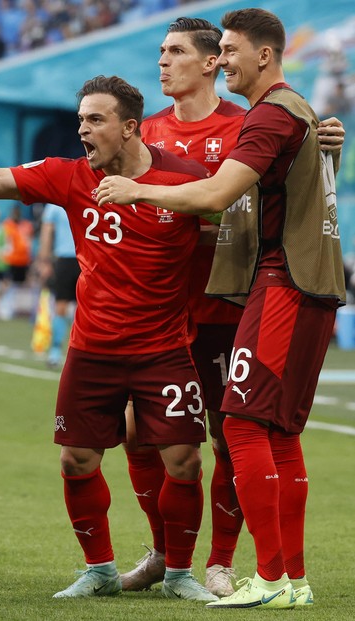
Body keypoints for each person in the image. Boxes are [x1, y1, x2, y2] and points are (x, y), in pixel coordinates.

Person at [0, 75, 219, 602]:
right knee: (76, 460)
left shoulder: (184, 178)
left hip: (164, 349)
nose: (83, 131)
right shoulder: (67, 176)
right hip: (92, 350)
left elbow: (231, 219)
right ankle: (99, 570)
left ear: (130, 127)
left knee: (184, 460)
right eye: (80, 121)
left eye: (95, 120)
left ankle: (180, 574)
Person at [96, 8, 346, 609]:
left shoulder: (257, 120)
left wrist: (139, 190)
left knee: (240, 430)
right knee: (153, 430)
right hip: (167, 305)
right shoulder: (146, 130)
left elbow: (219, 193)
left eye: (176, 51)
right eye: (158, 52)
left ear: (217, 60)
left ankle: (231, 565)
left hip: (246, 294)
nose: (162, 61)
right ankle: (191, 557)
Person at [36, 203, 79, 368]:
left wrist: (44, 261)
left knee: (65, 306)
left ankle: (60, 352)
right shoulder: (55, 205)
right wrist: (45, 260)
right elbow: (47, 232)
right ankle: (57, 351)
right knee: (68, 306)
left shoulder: (55, 203)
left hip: (77, 259)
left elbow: (46, 233)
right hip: (74, 258)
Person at [0, 204, 33, 320]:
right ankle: (2, 308)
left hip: (24, 260)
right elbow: (4, 241)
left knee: (22, 284)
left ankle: (18, 308)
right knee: (7, 283)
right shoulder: (7, 225)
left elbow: (29, 242)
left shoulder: (26, 225)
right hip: (10, 259)